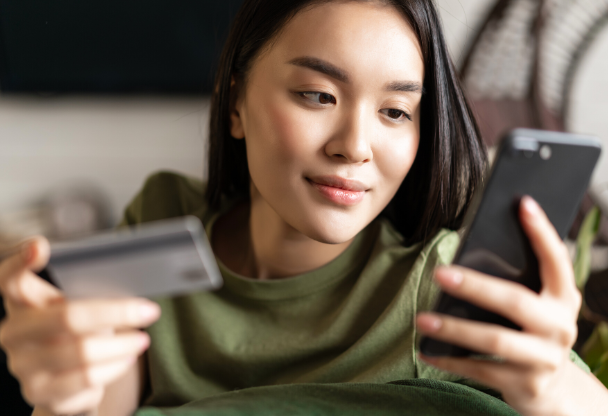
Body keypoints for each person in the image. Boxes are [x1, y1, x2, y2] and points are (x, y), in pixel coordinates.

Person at [1, 0, 607, 415]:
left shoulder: (436, 286)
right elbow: (111, 395)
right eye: (318, 95)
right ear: (234, 102)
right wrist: (64, 393)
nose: (354, 146)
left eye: (395, 111)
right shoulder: (163, 215)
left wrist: (550, 382)